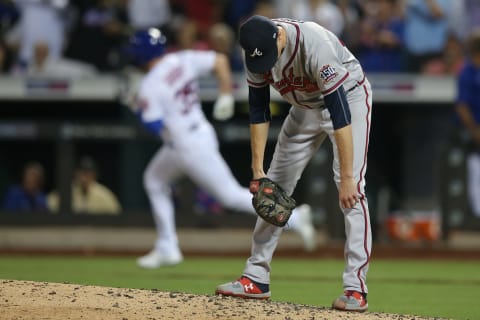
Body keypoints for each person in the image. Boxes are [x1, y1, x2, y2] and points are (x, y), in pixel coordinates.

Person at [214, 15, 373, 313]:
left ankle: (356, 289)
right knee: (272, 189)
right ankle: (256, 277)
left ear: (279, 36)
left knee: (352, 191)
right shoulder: (255, 51)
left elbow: (339, 113)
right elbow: (259, 109)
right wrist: (257, 170)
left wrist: (348, 176)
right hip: (304, 108)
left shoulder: (315, 44)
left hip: (347, 99)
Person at [123, 27, 316, 269]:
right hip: (196, 135)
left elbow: (153, 125)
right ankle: (167, 246)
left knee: (230, 196)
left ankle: (295, 218)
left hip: (187, 146)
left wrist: (136, 105)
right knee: (154, 179)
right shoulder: (181, 59)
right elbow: (220, 60)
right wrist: (225, 93)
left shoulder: (150, 85)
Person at [454, 29, 480, 218]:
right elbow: (462, 106)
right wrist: (475, 130)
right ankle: (477, 215)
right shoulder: (468, 71)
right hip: (474, 133)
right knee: (475, 169)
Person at [47, 156, 122, 215]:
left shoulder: (103, 193)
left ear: (94, 175)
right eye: (82, 172)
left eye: (87, 173)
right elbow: (50, 205)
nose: (84, 177)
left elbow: (116, 212)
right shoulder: (66, 191)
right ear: (76, 173)